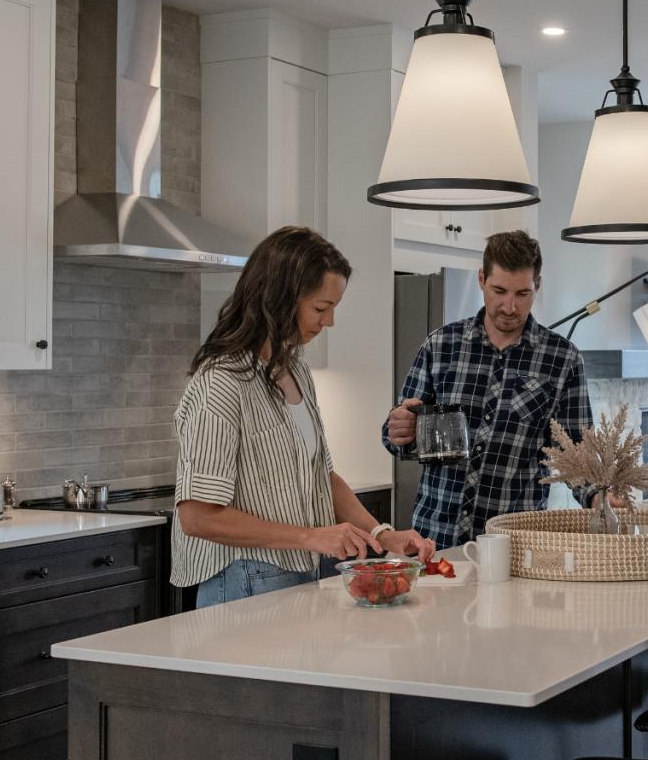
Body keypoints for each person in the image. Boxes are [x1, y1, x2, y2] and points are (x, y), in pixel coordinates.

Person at [172, 226, 434, 608]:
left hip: (304, 573)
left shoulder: (295, 370)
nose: (329, 323)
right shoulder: (221, 383)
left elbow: (322, 478)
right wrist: (311, 536)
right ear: (279, 300)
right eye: (320, 308)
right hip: (245, 580)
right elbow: (197, 516)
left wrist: (382, 535)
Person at [384, 231, 594, 550]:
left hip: (514, 545)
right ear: (482, 279)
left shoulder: (562, 359)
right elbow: (399, 438)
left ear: (538, 285)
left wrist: (600, 494)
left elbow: (574, 454)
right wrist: (399, 431)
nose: (509, 306)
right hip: (434, 540)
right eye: (499, 291)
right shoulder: (440, 346)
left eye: (522, 293)